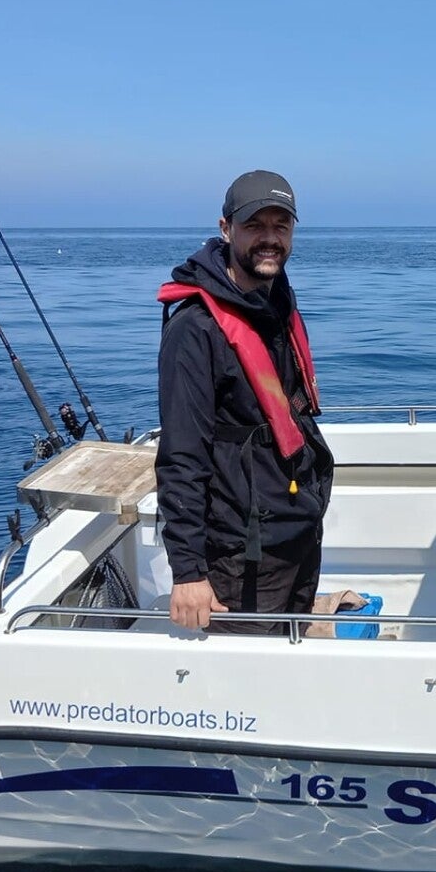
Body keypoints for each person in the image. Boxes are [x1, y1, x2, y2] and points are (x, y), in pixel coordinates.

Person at [156, 170, 334, 634]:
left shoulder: (276, 305)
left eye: (281, 225)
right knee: (250, 671)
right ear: (226, 229)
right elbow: (181, 455)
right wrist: (188, 572)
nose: (269, 238)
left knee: (292, 650)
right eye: (255, 225)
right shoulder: (195, 330)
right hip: (240, 553)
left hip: (296, 530)